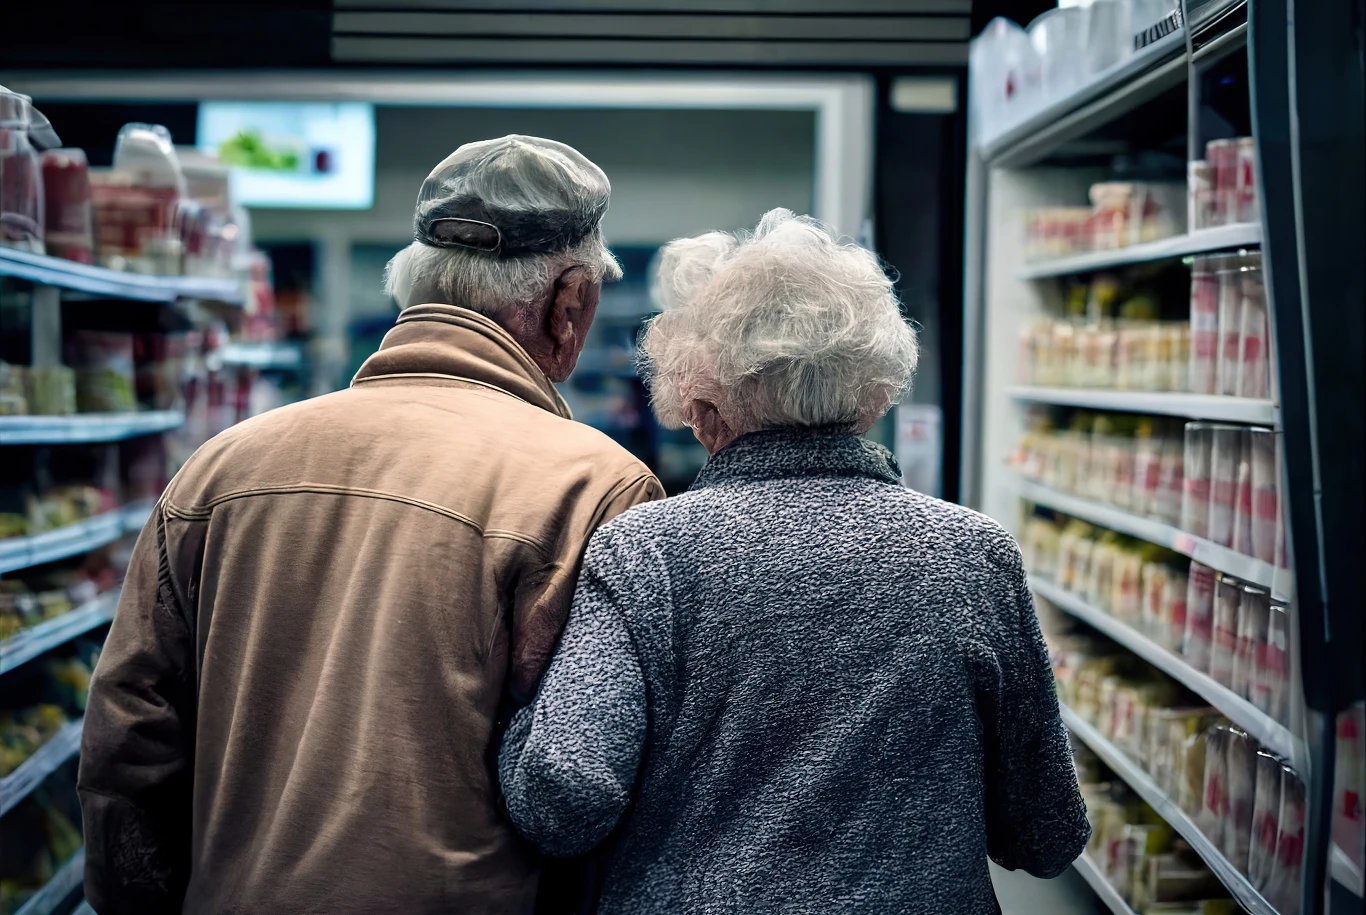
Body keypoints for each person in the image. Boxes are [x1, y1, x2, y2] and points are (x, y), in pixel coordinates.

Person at [77, 136, 664, 915]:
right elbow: (581, 788)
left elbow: (129, 741)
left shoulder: (222, 467)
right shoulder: (595, 486)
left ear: (411, 285)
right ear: (570, 304)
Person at [498, 209, 1091, 914]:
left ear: (699, 404)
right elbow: (1047, 834)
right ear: (873, 393)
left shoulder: (646, 550)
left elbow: (564, 798)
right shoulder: (971, 553)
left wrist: (518, 709)